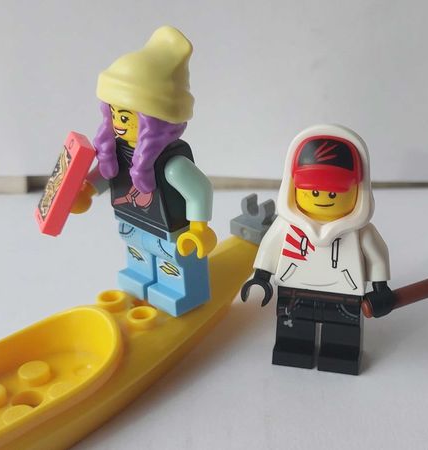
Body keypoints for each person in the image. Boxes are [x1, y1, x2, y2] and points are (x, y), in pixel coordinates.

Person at [72, 26, 217, 317]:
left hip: (171, 233)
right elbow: (106, 174)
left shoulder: (171, 165)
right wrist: (84, 191)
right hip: (132, 222)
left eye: (126, 116)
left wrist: (199, 229)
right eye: (114, 113)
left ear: (155, 120)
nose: (118, 123)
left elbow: (199, 190)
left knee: (172, 265)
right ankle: (138, 285)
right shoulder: (116, 151)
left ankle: (180, 296)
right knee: (137, 255)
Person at [241, 124, 392, 375]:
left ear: (358, 190)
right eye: (312, 190)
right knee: (293, 328)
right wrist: (261, 276)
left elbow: (377, 255)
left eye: (334, 192)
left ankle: (341, 352)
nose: (322, 197)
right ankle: (293, 348)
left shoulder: (359, 231)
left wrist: (380, 287)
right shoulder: (287, 225)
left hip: (344, 292)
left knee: (342, 332)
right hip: (294, 287)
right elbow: (269, 246)